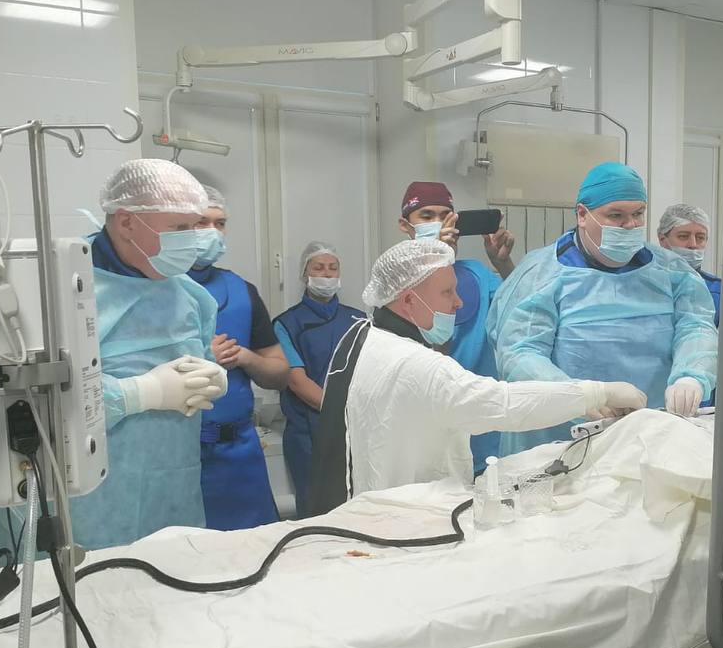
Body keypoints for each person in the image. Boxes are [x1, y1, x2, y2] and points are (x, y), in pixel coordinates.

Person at [0, 159, 227, 558]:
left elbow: (200, 362)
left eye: (194, 226)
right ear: (127, 222)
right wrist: (141, 393)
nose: (193, 241)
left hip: (170, 493)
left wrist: (212, 377)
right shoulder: (52, 288)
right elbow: (25, 403)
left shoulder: (190, 295)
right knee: (77, 587)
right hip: (82, 505)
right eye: (179, 228)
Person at [307, 239, 646, 516]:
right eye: (448, 292)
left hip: (362, 503)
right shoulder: (419, 366)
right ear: (408, 299)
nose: (458, 303)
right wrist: (597, 392)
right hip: (408, 518)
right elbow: (504, 405)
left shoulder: (359, 336)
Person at [487, 162, 719, 455]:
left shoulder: (671, 272)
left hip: (648, 437)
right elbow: (519, 354)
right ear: (583, 215)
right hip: (560, 442)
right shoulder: (542, 274)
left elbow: (696, 326)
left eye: (638, 214)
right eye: (616, 215)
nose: (630, 225)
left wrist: (691, 375)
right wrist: (582, 397)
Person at [189, 185, 289, 530]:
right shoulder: (155, 290)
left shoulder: (242, 292)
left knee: (257, 547)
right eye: (201, 223)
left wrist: (248, 359)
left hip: (239, 454)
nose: (212, 232)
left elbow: (280, 373)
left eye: (220, 223)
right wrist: (204, 358)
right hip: (181, 455)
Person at [398, 181, 514, 471]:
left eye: (445, 215)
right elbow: (433, 353)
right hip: (430, 427)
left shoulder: (475, 274)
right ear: (405, 226)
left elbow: (520, 307)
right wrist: (435, 262)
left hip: (483, 430)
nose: (438, 223)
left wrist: (503, 264)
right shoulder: (396, 284)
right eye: (426, 216)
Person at [273, 241, 365, 513]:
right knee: (315, 510)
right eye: (319, 268)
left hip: (355, 429)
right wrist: (341, 411)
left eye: (332, 268)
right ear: (305, 274)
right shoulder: (287, 324)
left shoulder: (358, 320)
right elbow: (297, 381)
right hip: (308, 435)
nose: (326, 274)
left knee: (358, 506)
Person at [657, 202, 723, 355]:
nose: (693, 244)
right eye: (683, 236)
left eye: (700, 238)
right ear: (662, 239)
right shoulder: (645, 283)